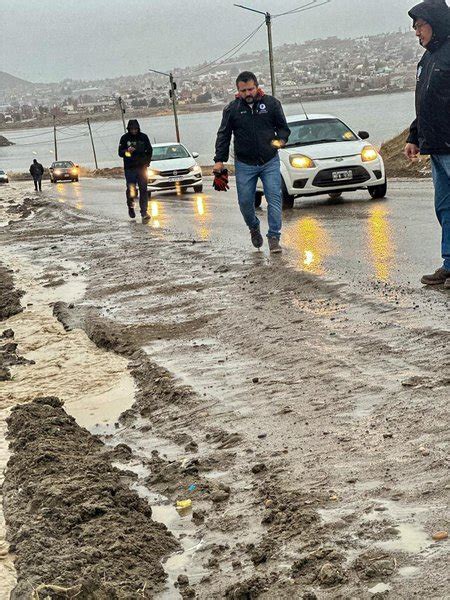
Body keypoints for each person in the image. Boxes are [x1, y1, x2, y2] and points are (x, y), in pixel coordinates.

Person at [213, 71, 291, 253]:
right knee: (245, 202)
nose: (248, 93)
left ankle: (274, 237)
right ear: (238, 90)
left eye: (250, 89)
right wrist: (219, 160)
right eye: (243, 90)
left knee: (274, 197)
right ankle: (253, 226)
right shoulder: (232, 109)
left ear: (257, 87)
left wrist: (281, 140)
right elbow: (223, 135)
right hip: (244, 163)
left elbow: (283, 127)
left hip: (269, 160)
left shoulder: (271, 104)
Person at [405, 0, 450, 288]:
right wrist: (414, 136)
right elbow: (425, 103)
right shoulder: (428, 60)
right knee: (444, 208)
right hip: (436, 147)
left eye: (419, 26)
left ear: (435, 23)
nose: (416, 33)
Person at [118, 119, 153, 223]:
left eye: (135, 129)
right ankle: (131, 206)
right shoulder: (124, 138)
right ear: (129, 129)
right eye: (132, 129)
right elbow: (120, 153)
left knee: (143, 189)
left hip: (142, 168)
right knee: (132, 189)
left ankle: (144, 212)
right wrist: (127, 152)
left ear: (138, 128)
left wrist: (147, 162)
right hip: (130, 168)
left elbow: (149, 151)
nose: (133, 130)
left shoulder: (144, 137)